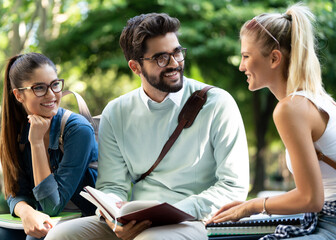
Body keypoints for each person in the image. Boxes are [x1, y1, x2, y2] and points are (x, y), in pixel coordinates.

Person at [45, 13, 249, 240]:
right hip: (136, 219)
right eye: (161, 58)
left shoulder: (218, 103)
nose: (174, 64)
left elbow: (234, 186)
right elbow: (112, 185)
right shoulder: (116, 111)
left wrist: (180, 210)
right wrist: (114, 217)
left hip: (194, 219)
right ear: (135, 67)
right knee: (59, 236)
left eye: (177, 52)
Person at [207, 3, 336, 239]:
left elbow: (311, 199)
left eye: (246, 56)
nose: (241, 65)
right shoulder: (319, 100)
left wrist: (250, 206)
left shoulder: (290, 108)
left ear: (274, 58)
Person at [0, 52, 99, 240]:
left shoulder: (77, 129)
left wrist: (37, 143)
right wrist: (26, 213)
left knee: (36, 238)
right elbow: (15, 192)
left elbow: (52, 206)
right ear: (18, 95)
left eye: (55, 85)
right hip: (49, 218)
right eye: (39, 88)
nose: (51, 95)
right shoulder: (18, 131)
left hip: (86, 218)